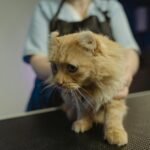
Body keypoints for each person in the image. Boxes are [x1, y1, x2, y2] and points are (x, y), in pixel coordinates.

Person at [23, 0, 140, 111]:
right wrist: (65, 79)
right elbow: (37, 58)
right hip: (52, 101)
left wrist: (123, 77)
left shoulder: (109, 5)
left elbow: (130, 50)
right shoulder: (46, 6)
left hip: (101, 99)